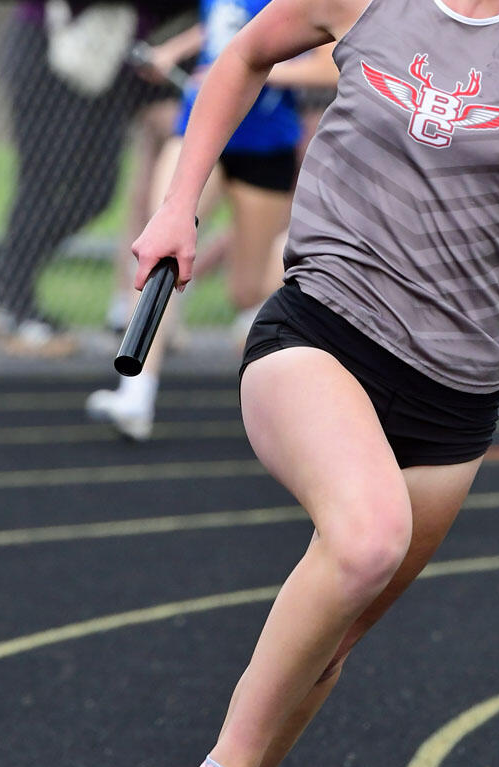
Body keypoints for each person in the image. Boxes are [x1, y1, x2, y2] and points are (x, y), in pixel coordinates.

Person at [131, 0, 499, 765]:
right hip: (325, 327)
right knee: (366, 542)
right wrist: (177, 207)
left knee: (327, 648)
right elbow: (242, 57)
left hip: (458, 387)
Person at [85, 1, 337, 441]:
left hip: (264, 146)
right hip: (200, 131)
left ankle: (315, 259)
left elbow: (329, 67)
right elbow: (219, 25)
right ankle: (136, 391)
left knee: (248, 290)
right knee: (159, 242)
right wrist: (172, 52)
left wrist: (253, 68)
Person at [0, 0, 195, 356]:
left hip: (110, 60)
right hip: (50, 47)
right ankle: (14, 301)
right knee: (40, 182)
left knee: (98, 191)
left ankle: (6, 271)